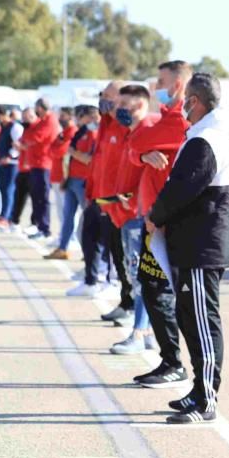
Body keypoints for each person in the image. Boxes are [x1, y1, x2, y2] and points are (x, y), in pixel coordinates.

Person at [146, 72, 229, 423]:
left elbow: (182, 188)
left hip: (202, 246)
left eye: (186, 99)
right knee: (191, 319)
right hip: (194, 244)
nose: (183, 106)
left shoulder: (208, 139)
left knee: (202, 322)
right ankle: (199, 391)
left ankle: (207, 399)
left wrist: (155, 214)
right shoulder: (204, 136)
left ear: (197, 102)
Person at [128, 59, 191, 389]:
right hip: (154, 220)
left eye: (161, 82)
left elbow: (135, 142)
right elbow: (133, 148)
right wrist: (142, 156)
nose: (155, 88)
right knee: (152, 288)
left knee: (160, 291)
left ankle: (173, 362)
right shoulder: (164, 119)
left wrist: (140, 150)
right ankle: (169, 359)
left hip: (165, 223)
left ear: (178, 85)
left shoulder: (178, 121)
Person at [106, 85, 159, 355]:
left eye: (123, 104)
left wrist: (132, 199)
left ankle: (139, 332)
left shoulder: (151, 130)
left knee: (142, 277)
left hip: (140, 216)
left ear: (139, 105)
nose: (118, 110)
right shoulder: (133, 133)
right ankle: (147, 330)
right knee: (135, 273)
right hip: (128, 214)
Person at [90, 81, 135, 324]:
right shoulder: (106, 125)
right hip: (105, 202)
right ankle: (126, 301)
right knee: (117, 257)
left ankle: (134, 309)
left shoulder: (126, 125)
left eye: (107, 96)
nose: (102, 101)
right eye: (102, 96)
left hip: (123, 206)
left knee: (127, 259)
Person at [64, 106, 110, 297]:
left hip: (106, 194)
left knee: (105, 239)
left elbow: (90, 160)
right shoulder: (89, 133)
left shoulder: (99, 134)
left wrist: (74, 154)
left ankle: (107, 277)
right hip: (90, 189)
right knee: (86, 232)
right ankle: (91, 277)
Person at [20, 98, 62, 241]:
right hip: (36, 164)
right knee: (36, 197)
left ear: (41, 108)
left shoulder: (50, 121)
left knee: (43, 198)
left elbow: (36, 138)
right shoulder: (42, 121)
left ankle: (45, 228)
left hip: (44, 164)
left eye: (36, 109)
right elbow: (27, 137)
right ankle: (39, 226)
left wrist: (28, 140)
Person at [44, 108, 79, 260]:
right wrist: (56, 149)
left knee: (69, 212)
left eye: (63, 116)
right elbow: (51, 150)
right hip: (56, 175)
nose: (60, 119)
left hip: (65, 177)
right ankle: (63, 238)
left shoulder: (72, 132)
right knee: (60, 210)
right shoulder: (62, 133)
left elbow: (60, 152)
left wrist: (56, 149)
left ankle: (72, 239)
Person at [0, 108, 24, 230]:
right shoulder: (3, 128)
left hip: (11, 163)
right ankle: (3, 213)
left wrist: (10, 156)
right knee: (2, 189)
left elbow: (18, 145)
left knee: (9, 190)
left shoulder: (15, 127)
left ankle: (7, 217)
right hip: (1, 162)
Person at [9, 108, 35, 232]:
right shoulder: (25, 129)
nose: (24, 120)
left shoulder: (36, 128)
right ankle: (15, 221)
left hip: (33, 168)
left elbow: (34, 145)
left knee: (36, 199)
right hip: (22, 168)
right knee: (19, 196)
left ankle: (34, 224)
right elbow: (20, 143)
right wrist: (19, 146)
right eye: (23, 117)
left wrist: (22, 146)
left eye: (26, 117)